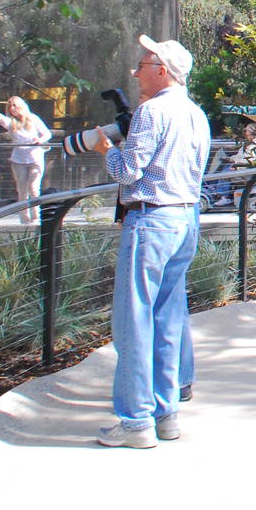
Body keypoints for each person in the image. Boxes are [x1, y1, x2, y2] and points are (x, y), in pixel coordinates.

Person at [92, 35, 210, 448]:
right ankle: (166, 414)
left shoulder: (151, 112)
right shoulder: (196, 114)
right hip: (185, 220)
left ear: (162, 70)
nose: (135, 71)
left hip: (151, 221)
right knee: (166, 318)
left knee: (134, 320)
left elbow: (129, 172)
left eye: (142, 63)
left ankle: (135, 421)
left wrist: (107, 149)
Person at [0, 96, 52, 225]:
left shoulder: (33, 119)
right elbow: (3, 120)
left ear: (21, 106)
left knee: (33, 188)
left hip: (35, 158)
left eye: (15, 106)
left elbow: (47, 133)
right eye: (10, 106)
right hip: (18, 159)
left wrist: (40, 140)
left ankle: (36, 217)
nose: (12, 109)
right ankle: (24, 218)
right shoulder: (11, 122)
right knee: (22, 190)